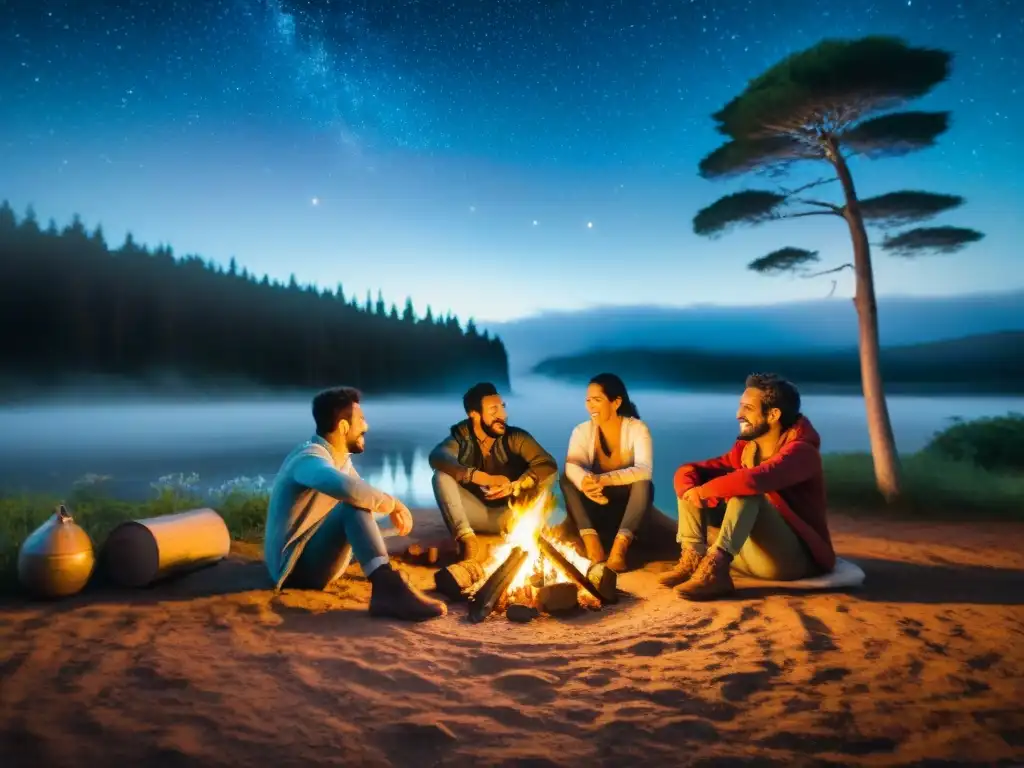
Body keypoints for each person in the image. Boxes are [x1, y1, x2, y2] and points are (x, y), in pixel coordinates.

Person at [264, 386, 447, 621]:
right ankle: (387, 589)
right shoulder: (309, 458)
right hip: (293, 571)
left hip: (311, 558)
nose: (366, 426)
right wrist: (394, 504)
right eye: (361, 419)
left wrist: (390, 514)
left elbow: (364, 503)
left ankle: (388, 581)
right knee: (352, 503)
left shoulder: (340, 462)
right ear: (343, 427)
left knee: (359, 504)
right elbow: (348, 490)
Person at [661, 373, 837, 601]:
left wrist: (702, 493)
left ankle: (716, 571)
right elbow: (688, 470)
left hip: (792, 562)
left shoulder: (803, 453)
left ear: (773, 414)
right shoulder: (747, 449)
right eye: (739, 406)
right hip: (752, 558)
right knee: (694, 482)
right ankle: (693, 558)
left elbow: (754, 480)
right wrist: (690, 490)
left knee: (745, 491)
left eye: (747, 408)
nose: (738, 415)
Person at [429, 382, 558, 561]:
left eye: (502, 408)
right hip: (474, 515)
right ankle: (467, 541)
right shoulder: (462, 438)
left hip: (511, 515)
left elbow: (547, 464)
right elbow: (438, 456)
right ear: (474, 415)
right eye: (493, 410)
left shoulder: (516, 437)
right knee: (440, 477)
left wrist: (516, 485)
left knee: (551, 478)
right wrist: (479, 477)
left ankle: (543, 537)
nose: (503, 415)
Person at [560, 373, 654, 572]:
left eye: (597, 400)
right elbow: (572, 465)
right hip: (594, 503)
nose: (590, 406)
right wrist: (586, 482)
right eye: (588, 400)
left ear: (616, 402)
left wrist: (603, 479)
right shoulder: (582, 431)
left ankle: (619, 550)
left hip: (625, 507)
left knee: (644, 483)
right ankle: (593, 546)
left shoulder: (637, 429)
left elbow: (644, 469)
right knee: (567, 479)